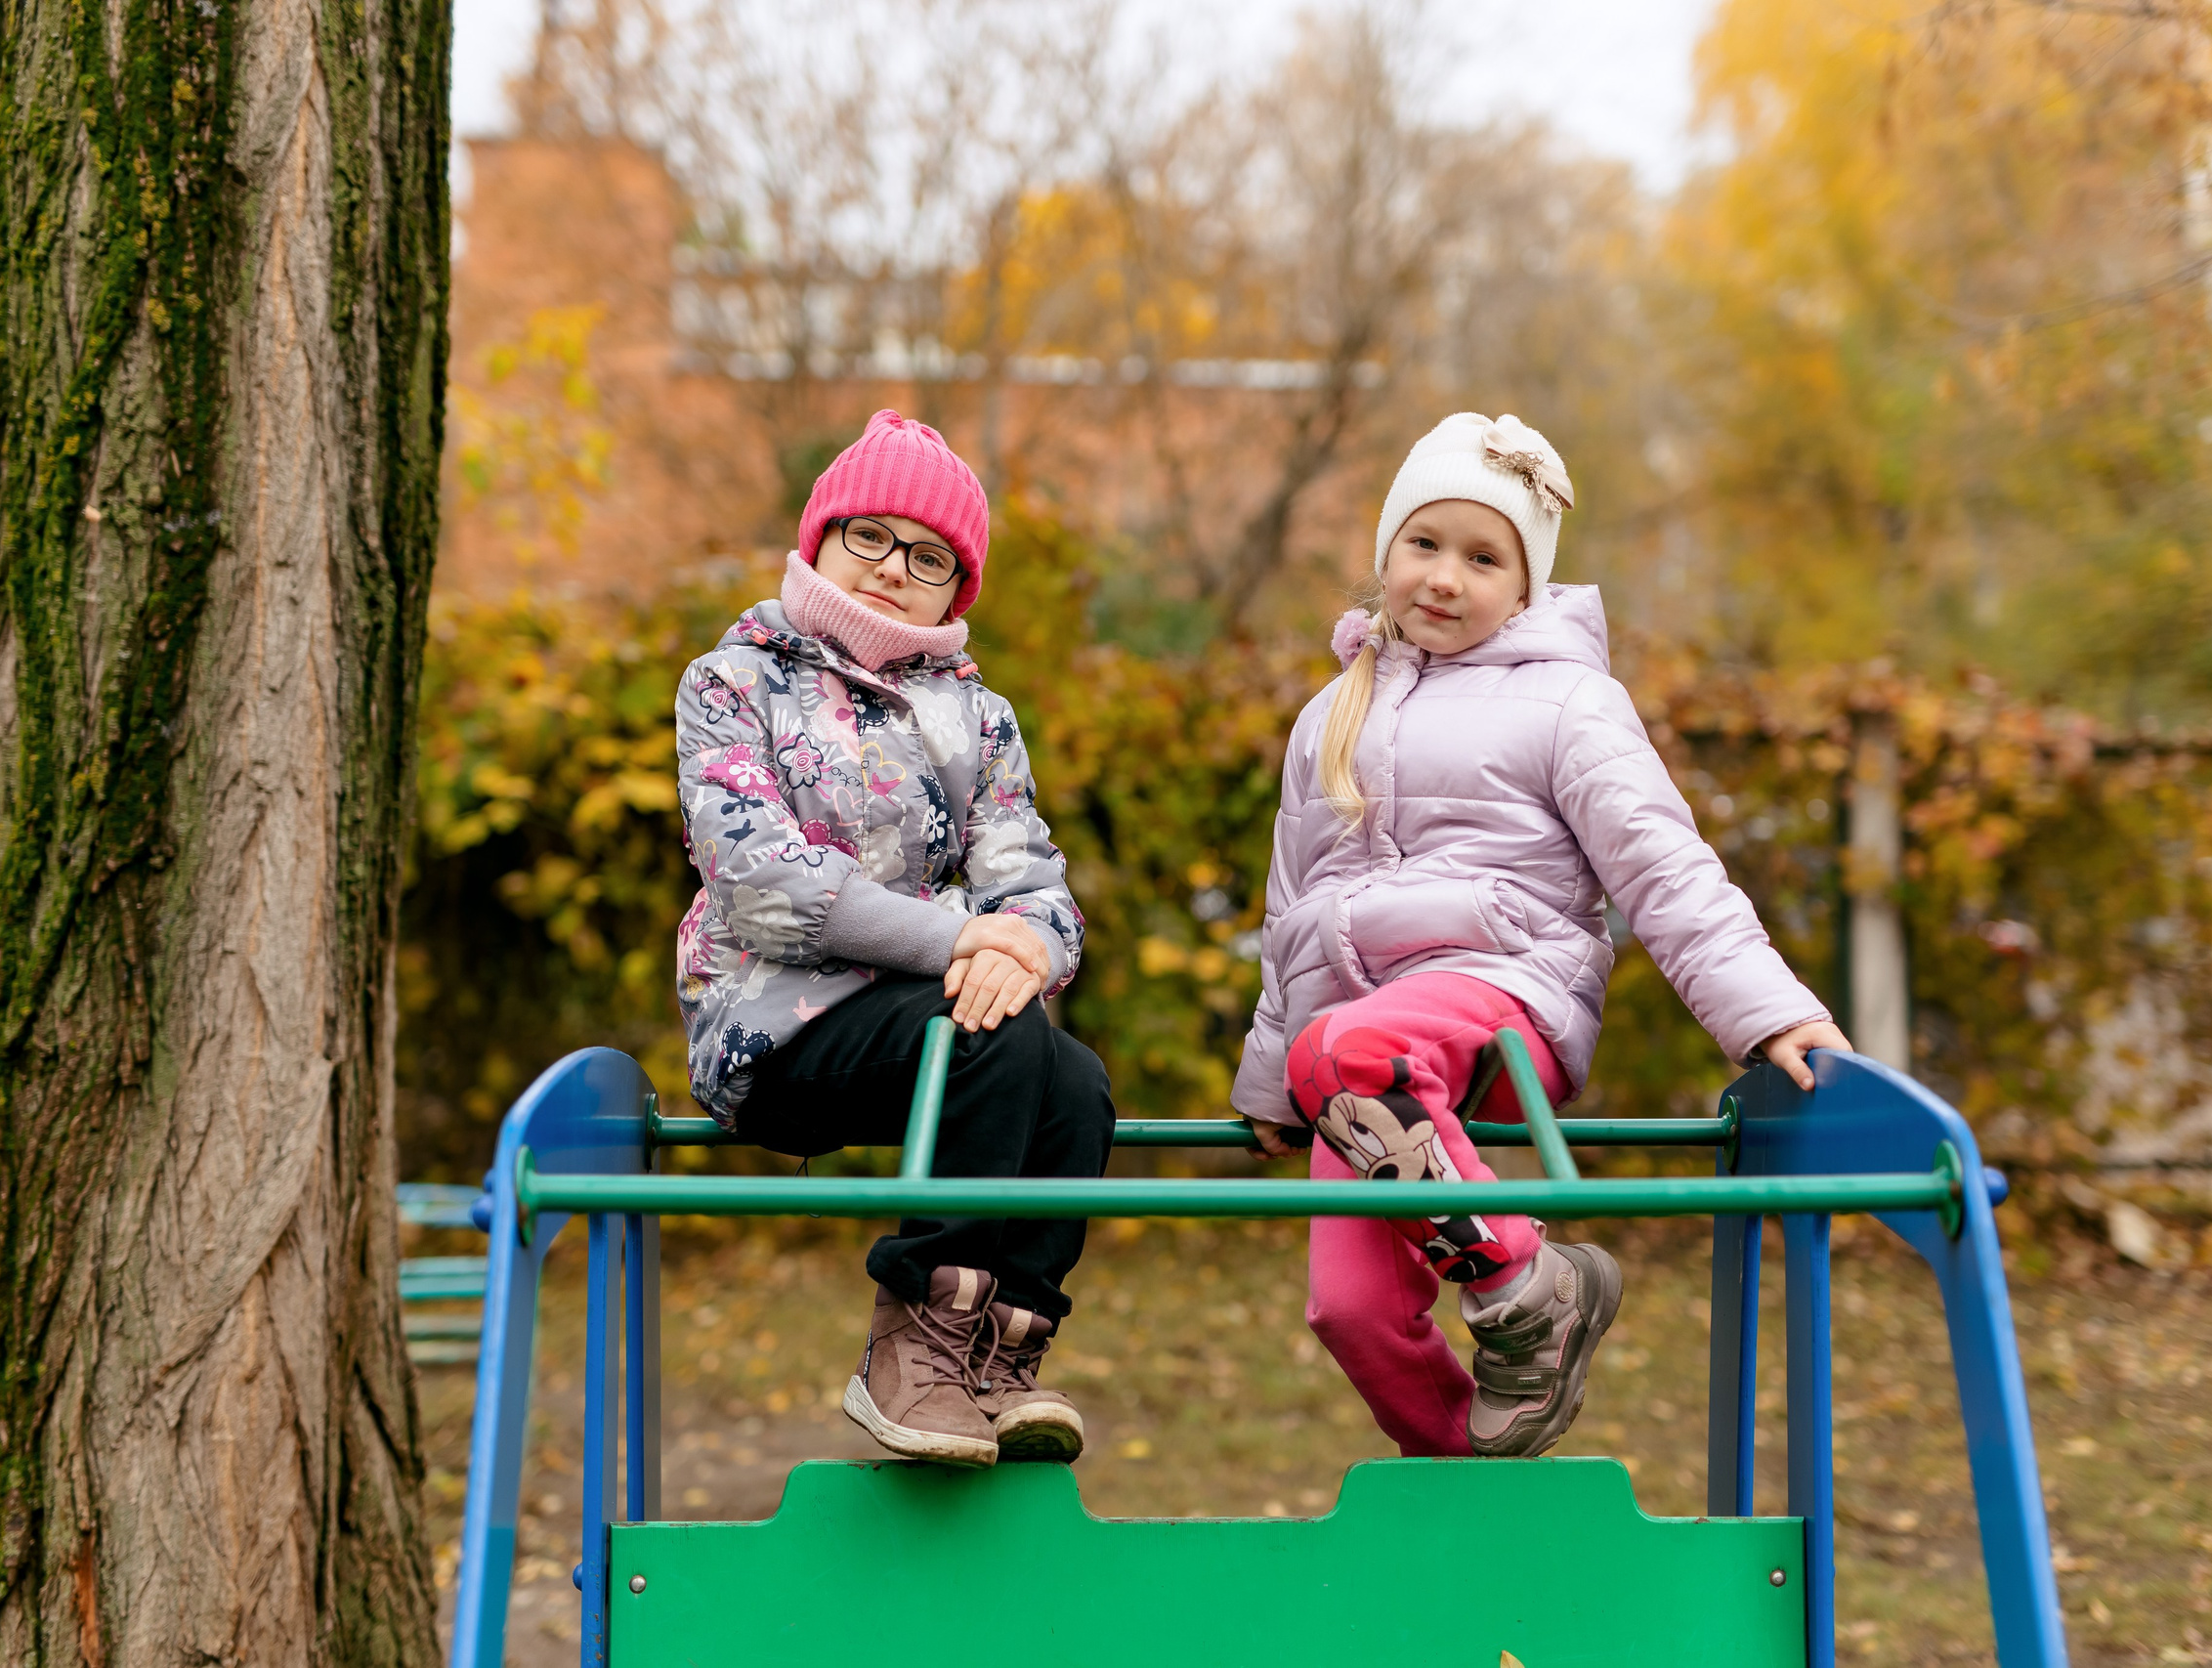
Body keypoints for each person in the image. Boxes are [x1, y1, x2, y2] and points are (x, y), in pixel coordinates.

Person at [1233, 411, 1850, 1460]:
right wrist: (1269, 1078)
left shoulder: (1569, 703)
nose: (1444, 577)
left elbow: (1663, 867)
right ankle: (1472, 1485)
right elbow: (1293, 903)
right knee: (1351, 1311)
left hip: (1503, 993)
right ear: (1385, 550)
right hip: (1355, 1078)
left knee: (1347, 1046)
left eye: (1484, 558)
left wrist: (1769, 1012)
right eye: (1424, 543)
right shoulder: (1328, 713)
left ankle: (1527, 1284)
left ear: (1526, 586)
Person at [673, 408, 1107, 1469]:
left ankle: (1002, 1349)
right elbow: (762, 881)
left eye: (927, 557)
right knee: (988, 1032)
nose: (891, 568)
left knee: (1077, 1080)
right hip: (777, 1027)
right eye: (868, 536)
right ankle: (913, 1347)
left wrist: (1027, 947)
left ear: (955, 589)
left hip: (926, 1027)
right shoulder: (732, 683)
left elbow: (1031, 879)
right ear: (820, 538)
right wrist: (966, 941)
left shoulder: (978, 718)